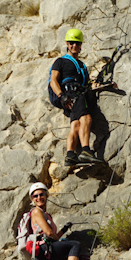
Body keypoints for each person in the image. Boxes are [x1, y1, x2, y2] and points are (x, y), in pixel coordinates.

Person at [49, 28, 102, 167]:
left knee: (76, 124)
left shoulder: (82, 66)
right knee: (86, 118)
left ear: (80, 45)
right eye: (71, 43)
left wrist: (101, 85)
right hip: (70, 94)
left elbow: (88, 84)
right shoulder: (60, 61)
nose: (74, 46)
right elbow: (53, 80)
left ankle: (70, 155)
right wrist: (61, 96)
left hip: (79, 94)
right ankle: (85, 150)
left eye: (77, 43)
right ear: (67, 43)